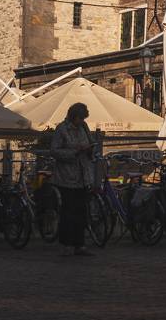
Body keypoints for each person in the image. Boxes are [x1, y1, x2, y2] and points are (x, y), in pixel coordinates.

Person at [50, 102, 97, 256]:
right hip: (66, 177)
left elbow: (91, 144)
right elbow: (54, 151)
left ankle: (79, 244)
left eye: (83, 118)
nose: (81, 121)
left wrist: (89, 150)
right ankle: (65, 244)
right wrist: (74, 152)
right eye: (80, 118)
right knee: (68, 212)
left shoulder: (84, 127)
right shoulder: (62, 129)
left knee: (81, 211)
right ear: (73, 116)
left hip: (83, 176)